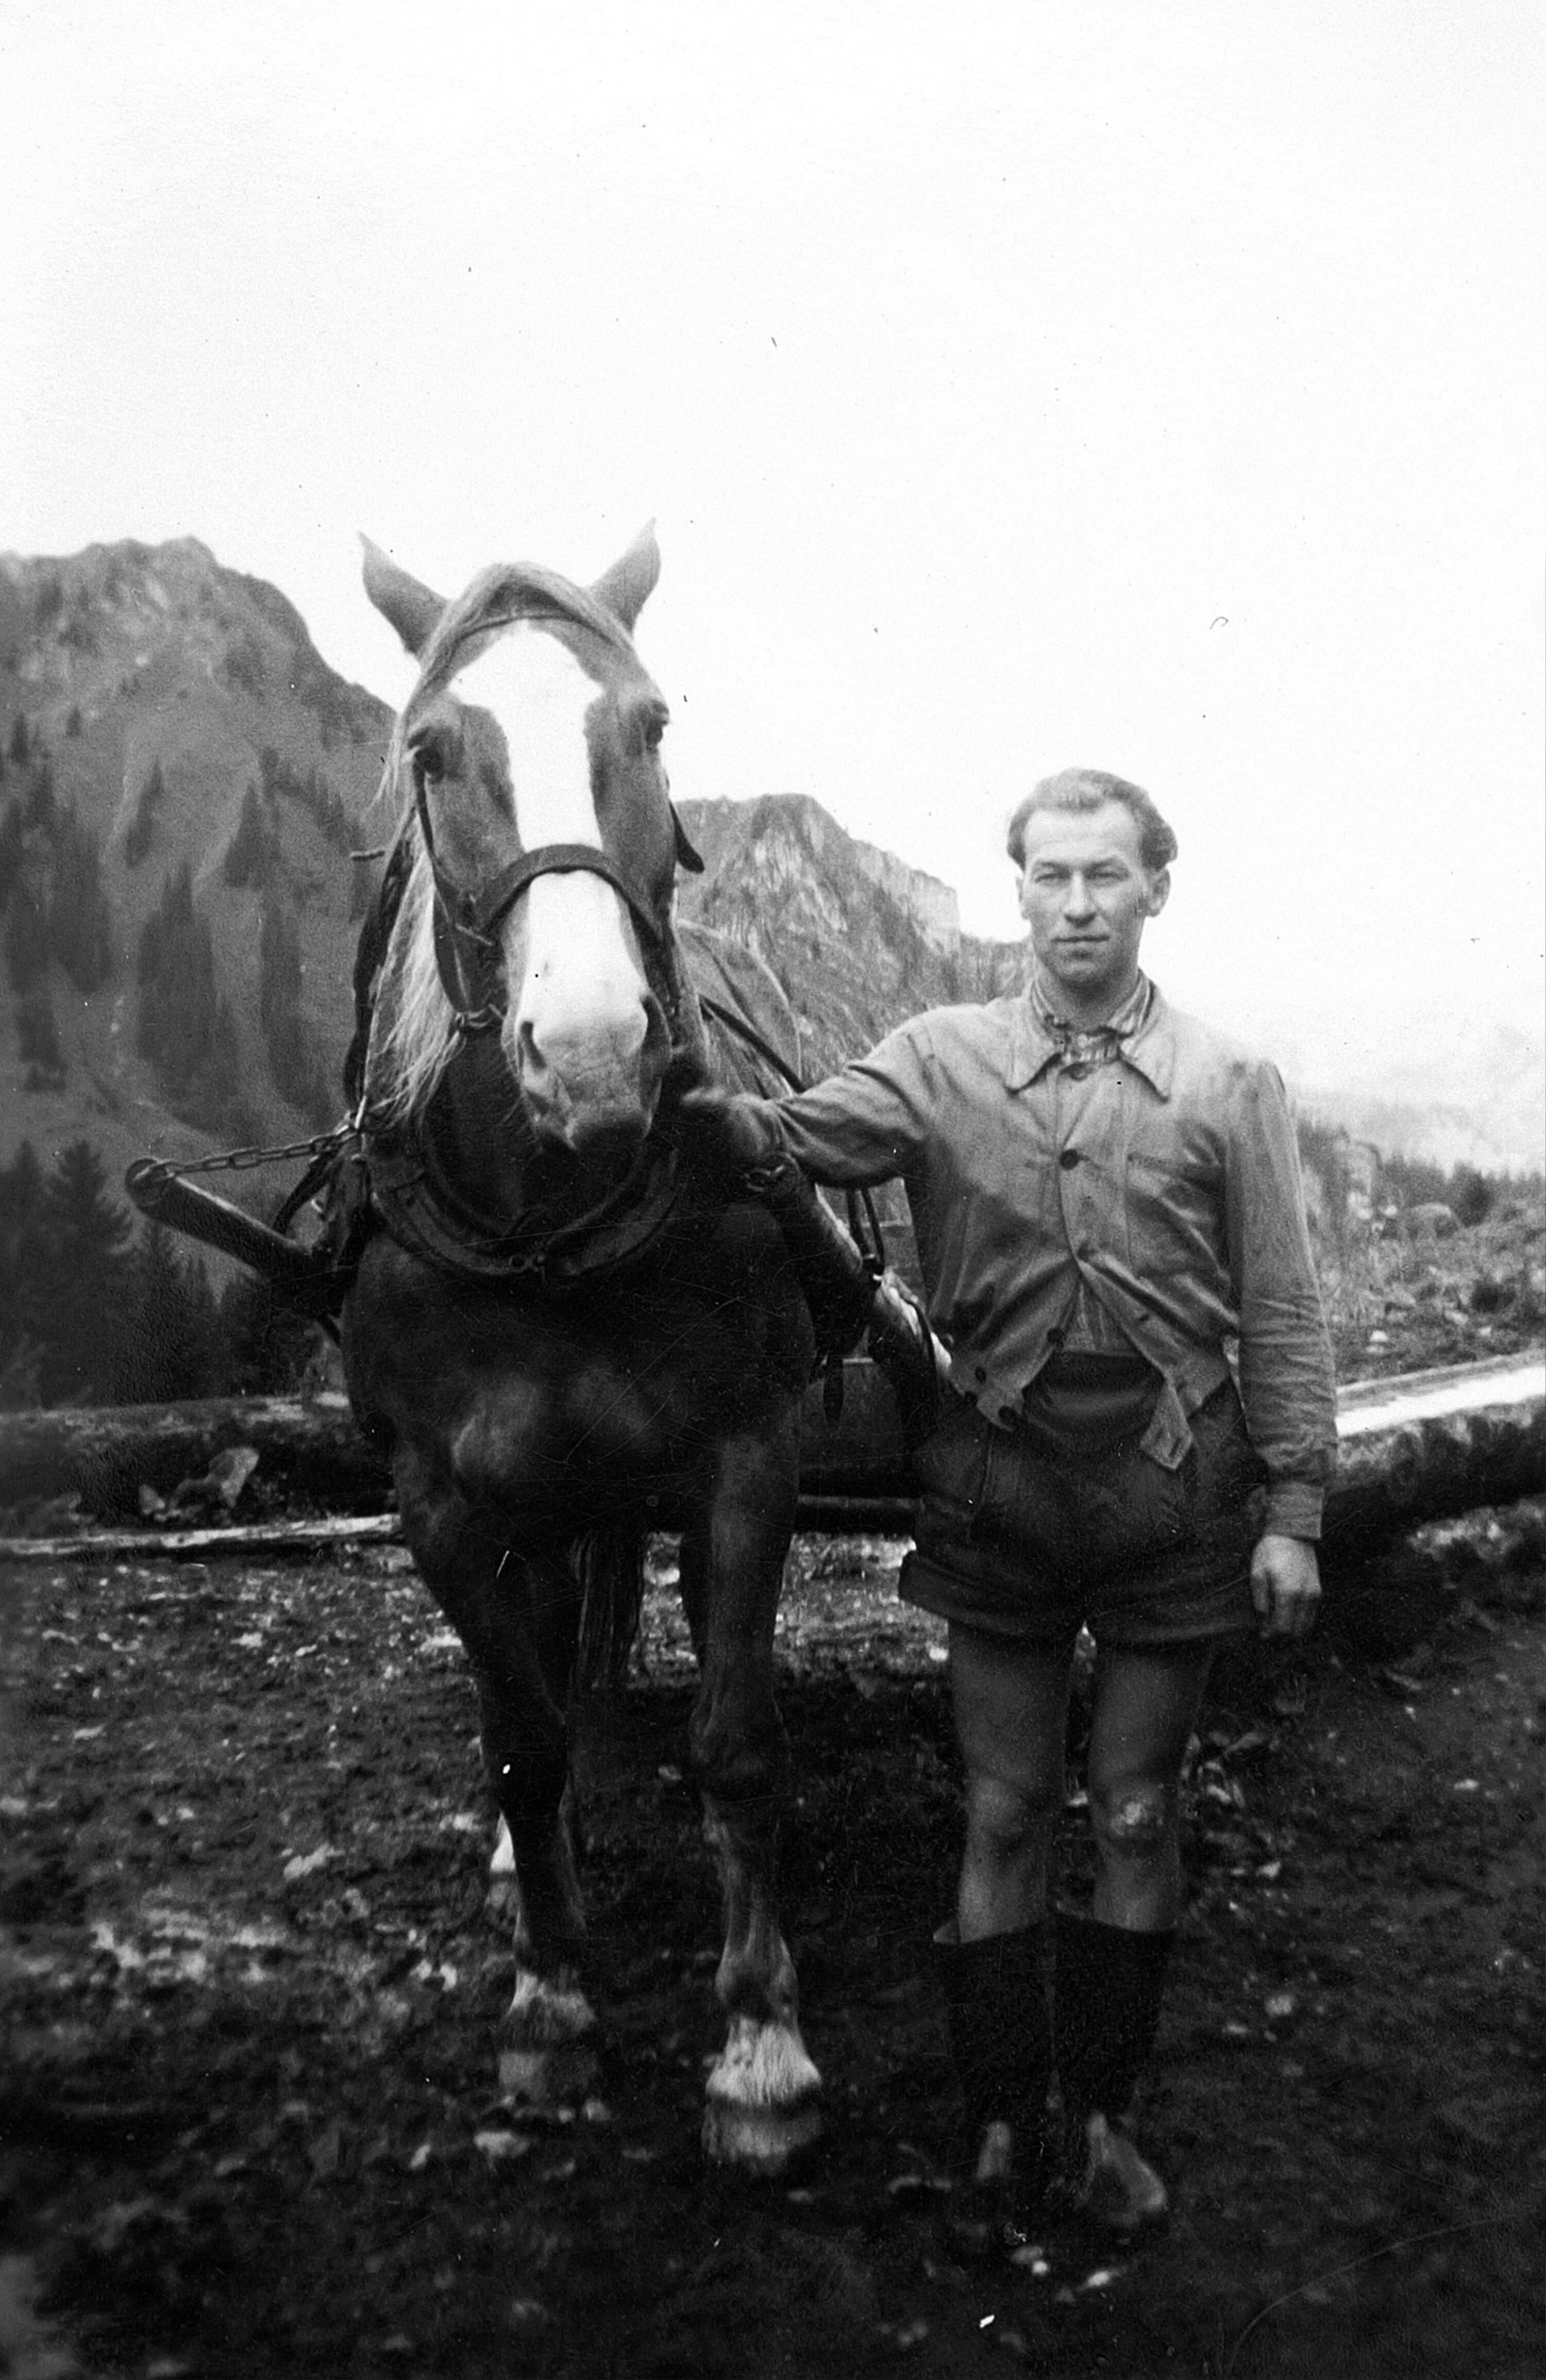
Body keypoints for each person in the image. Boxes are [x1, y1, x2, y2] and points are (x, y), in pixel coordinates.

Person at [684, 767, 1337, 2243]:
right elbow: (784, 1140)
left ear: (1157, 887)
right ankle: (996, 2124)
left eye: (1107, 875)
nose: (1080, 905)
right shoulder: (936, 1060)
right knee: (1001, 1808)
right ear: (1021, 891)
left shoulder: (1234, 1084)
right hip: (1000, 1491)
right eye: (1053, 876)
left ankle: (1098, 2121)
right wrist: (664, 1091)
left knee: (1139, 1807)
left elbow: (1284, 1309)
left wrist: (1293, 1506)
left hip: (1175, 1497)